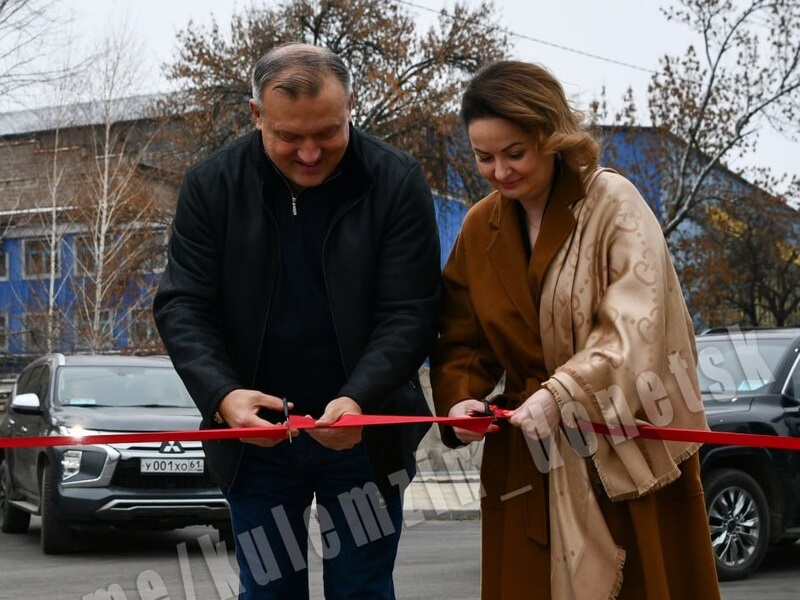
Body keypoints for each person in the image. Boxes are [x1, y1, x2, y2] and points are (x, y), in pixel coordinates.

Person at [153, 42, 441, 600]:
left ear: (351, 107)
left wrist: (361, 397)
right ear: (257, 115)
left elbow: (411, 312)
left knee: (362, 589)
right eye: (289, 137)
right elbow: (183, 305)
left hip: (365, 440)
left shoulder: (396, 180)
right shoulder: (212, 186)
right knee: (267, 592)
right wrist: (224, 396)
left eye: (328, 133)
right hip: (258, 442)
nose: (310, 153)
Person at [430, 60, 721, 600]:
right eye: (483, 157)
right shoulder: (479, 226)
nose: (499, 171)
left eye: (514, 153)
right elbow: (462, 336)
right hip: (527, 457)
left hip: (622, 446)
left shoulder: (614, 204)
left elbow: (639, 326)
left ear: (551, 134)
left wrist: (562, 395)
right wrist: (459, 401)